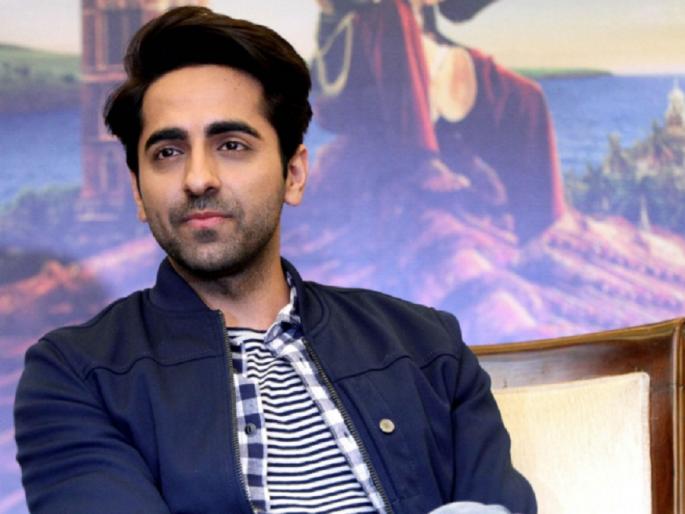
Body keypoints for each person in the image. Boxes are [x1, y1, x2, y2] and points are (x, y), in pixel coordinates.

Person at [14, 6, 536, 514]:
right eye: (168, 152)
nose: (198, 178)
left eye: (232, 145)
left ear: (294, 175)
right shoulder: (75, 377)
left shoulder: (426, 345)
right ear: (138, 191)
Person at [312, 0, 565, 241]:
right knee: (394, 7)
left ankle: (539, 226)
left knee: (525, 96)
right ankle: (420, 161)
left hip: (429, 52)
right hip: (358, 63)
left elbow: (457, 10)